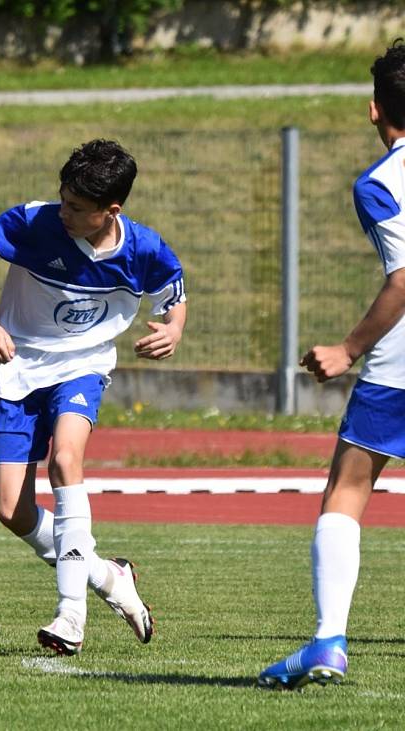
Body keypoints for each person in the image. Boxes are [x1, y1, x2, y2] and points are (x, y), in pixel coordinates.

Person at [0, 139, 187, 655]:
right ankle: (110, 577)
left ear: (112, 211)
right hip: (17, 370)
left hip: (82, 368)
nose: (64, 212)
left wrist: (173, 330)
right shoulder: (30, 222)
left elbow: (174, 294)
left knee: (66, 460)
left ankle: (71, 616)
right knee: (10, 511)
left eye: (77, 208)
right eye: (62, 199)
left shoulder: (145, 250)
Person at [258, 40, 405, 690]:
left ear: (376, 110)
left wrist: (347, 348)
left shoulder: (379, 183)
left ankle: (328, 641)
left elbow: (403, 279)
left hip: (398, 364)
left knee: (347, 489)